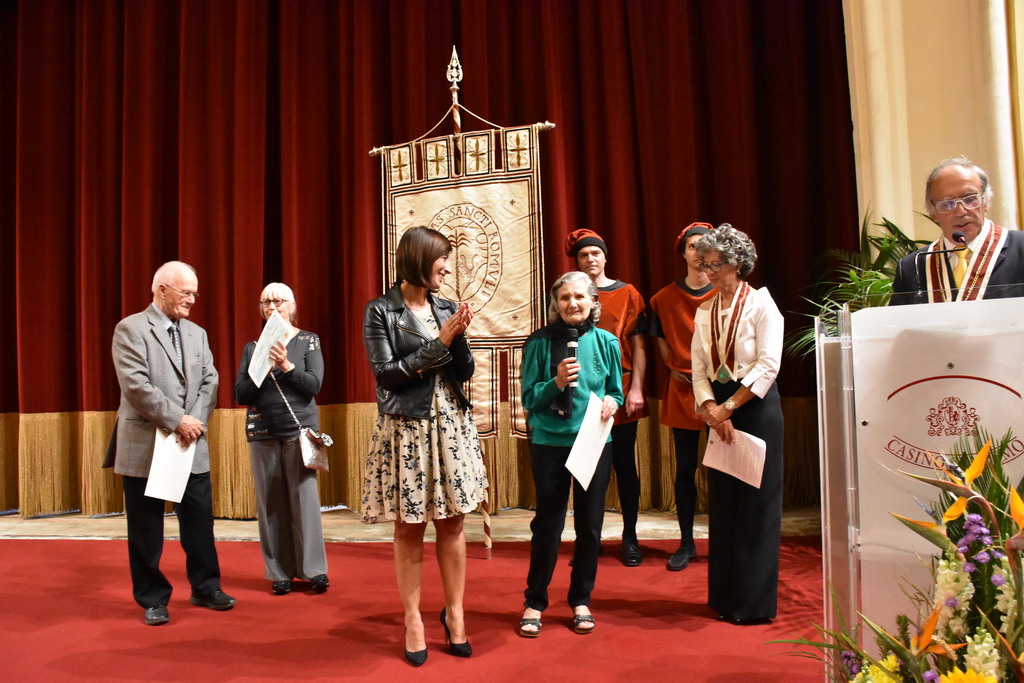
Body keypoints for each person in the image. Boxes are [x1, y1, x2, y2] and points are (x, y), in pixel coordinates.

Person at [361, 226, 488, 666]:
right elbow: (388, 375)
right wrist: (441, 341)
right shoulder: (381, 310)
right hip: (407, 429)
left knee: (453, 524)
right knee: (409, 526)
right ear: (419, 259)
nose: (447, 268)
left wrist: (460, 336)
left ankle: (455, 613)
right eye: (442, 259)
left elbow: (464, 372)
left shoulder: (446, 307)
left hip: (450, 424)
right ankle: (413, 619)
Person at [104, 260, 236, 625]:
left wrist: (191, 423)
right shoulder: (130, 329)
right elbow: (136, 386)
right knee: (146, 529)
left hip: (189, 442)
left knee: (199, 523)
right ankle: (152, 598)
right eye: (186, 292)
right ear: (162, 290)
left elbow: (210, 380)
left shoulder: (197, 333)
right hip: (146, 443)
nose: (192, 299)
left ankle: (206, 588)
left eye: (195, 293)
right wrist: (177, 419)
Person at [518, 271, 624, 638]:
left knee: (590, 527)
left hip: (593, 442)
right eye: (564, 298)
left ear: (594, 302)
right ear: (556, 304)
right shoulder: (539, 342)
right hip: (550, 443)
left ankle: (581, 599)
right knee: (548, 526)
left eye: (579, 296)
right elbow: (530, 398)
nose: (572, 303)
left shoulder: (607, 341)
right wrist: (557, 382)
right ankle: (535, 601)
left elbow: (615, 391)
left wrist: (612, 401)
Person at [691, 225, 784, 624]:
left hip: (754, 407)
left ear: (737, 264)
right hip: (717, 411)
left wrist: (728, 407)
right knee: (725, 504)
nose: (709, 272)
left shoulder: (762, 304)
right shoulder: (704, 311)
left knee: (756, 508)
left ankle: (752, 604)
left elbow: (769, 364)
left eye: (716, 264)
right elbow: (698, 368)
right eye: (705, 264)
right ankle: (724, 599)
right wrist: (711, 408)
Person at [233, 282, 330, 596]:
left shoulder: (308, 340)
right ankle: (279, 572)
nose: (272, 307)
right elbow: (241, 394)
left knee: (305, 501)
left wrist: (286, 366)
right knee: (271, 503)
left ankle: (314, 570)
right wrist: (262, 368)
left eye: (279, 301)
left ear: (292, 306)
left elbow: (313, 384)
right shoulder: (252, 348)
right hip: (263, 431)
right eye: (266, 302)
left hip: (300, 430)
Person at [565, 228, 648, 566]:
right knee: (586, 470)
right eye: (584, 255)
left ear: (605, 257)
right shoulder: (571, 295)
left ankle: (630, 537)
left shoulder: (628, 294)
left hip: (620, 389)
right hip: (584, 394)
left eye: (595, 253)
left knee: (625, 466)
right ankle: (589, 541)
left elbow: (639, 346)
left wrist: (636, 388)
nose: (590, 259)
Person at [649, 222, 717, 571]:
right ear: (684, 253)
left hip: (719, 390)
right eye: (692, 246)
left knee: (722, 468)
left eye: (704, 245)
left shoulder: (724, 292)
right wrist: (670, 363)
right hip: (683, 388)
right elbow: (659, 335)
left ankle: (724, 540)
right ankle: (686, 542)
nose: (698, 251)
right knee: (686, 466)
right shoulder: (663, 298)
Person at [891, 156, 1024, 305]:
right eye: (947, 204)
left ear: (986, 202)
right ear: (933, 213)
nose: (961, 211)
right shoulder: (912, 266)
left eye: (970, 199)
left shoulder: (1020, 248)